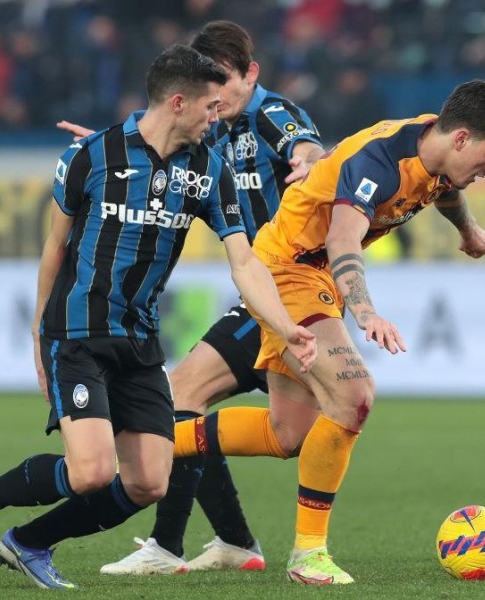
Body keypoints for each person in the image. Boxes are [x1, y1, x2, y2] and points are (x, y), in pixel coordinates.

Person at [0, 44, 316, 590]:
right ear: (180, 102)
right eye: (211, 107)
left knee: (149, 484)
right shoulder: (90, 156)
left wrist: (284, 326)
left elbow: (245, 261)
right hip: (78, 332)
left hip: (140, 343)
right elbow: (54, 249)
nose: (218, 117)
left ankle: (30, 541)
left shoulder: (210, 168)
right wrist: (39, 333)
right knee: (91, 473)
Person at [171, 79, 485, 584]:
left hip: (309, 275)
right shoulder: (379, 161)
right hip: (288, 270)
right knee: (354, 395)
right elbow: (342, 238)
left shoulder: (439, 149)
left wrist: (466, 230)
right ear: (463, 139)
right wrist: (364, 313)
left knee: (286, 433)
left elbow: (446, 190)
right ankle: (308, 556)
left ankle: (154, 441)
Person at [58, 20, 325, 575]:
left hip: (291, 294)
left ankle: (181, 546)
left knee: (185, 400)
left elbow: (303, 141)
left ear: (251, 75)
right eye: (208, 88)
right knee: (187, 401)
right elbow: (163, 148)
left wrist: (308, 158)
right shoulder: (213, 131)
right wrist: (115, 153)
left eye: (225, 81)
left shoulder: (270, 114)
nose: (217, 97)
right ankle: (226, 542)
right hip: (265, 299)